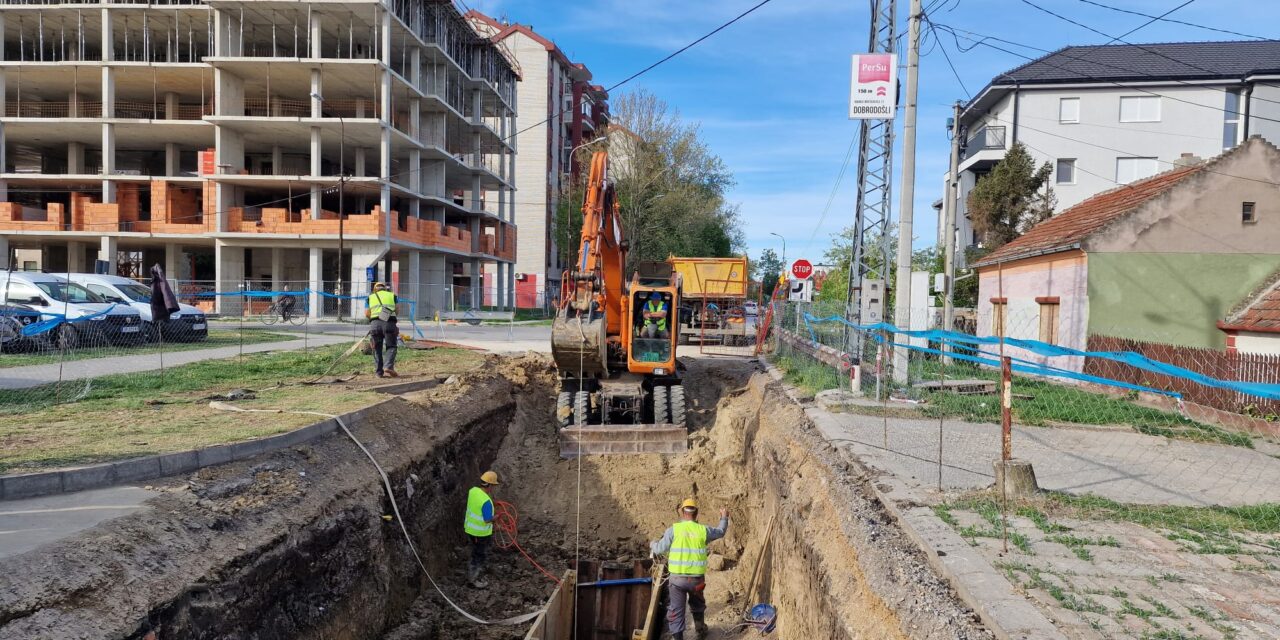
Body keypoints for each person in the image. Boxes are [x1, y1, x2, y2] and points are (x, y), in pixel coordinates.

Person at [650, 498, 729, 640]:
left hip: (676, 581)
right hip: (696, 581)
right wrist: (724, 517)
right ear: (696, 513)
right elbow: (720, 531)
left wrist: (653, 544)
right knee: (697, 605)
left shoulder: (673, 530)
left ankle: (678, 638)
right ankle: (700, 631)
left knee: (676, 610)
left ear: (681, 512)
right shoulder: (702, 530)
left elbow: (660, 549)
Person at [464, 470, 500, 589]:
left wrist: (490, 505)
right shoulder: (486, 502)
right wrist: (496, 517)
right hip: (481, 533)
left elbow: (477, 505)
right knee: (480, 555)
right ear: (489, 485)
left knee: (475, 552)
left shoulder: (473, 491)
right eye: (493, 486)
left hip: (470, 530)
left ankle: (471, 573)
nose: (493, 488)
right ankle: (474, 580)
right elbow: (487, 520)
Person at [364, 282, 399, 378]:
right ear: (385, 289)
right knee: (391, 346)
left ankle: (379, 372)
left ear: (375, 289)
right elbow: (397, 310)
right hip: (389, 323)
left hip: (375, 324)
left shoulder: (370, 297)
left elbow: (367, 313)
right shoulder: (392, 296)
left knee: (376, 348)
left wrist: (374, 320)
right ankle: (388, 366)